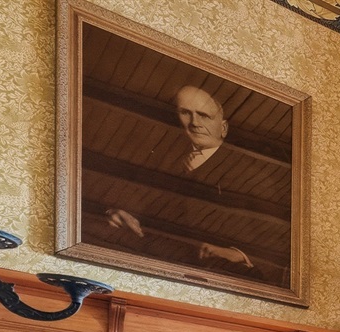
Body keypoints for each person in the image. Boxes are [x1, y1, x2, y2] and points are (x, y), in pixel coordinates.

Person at [89, 84, 287, 286]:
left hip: (214, 276)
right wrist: (121, 213)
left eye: (204, 115)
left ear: (223, 128)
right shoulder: (162, 160)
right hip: (155, 263)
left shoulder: (251, 175)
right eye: (185, 113)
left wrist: (235, 254)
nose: (194, 123)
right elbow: (137, 205)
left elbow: (273, 247)